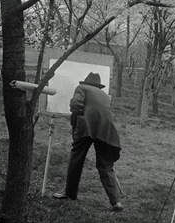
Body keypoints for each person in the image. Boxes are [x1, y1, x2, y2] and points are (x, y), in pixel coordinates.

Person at [53, 72, 123, 212]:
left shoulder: (82, 87)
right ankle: (116, 202)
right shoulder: (104, 95)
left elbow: (76, 105)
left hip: (87, 127)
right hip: (106, 131)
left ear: (86, 82)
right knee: (105, 166)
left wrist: (75, 125)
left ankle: (70, 194)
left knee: (76, 160)